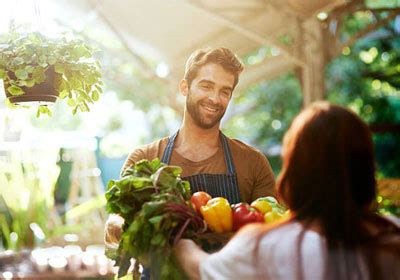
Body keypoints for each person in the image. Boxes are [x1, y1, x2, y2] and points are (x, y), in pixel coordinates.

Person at [174, 101, 400, 280]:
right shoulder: (392, 235)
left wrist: (179, 238)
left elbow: (201, 269)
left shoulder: (265, 247)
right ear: (366, 169)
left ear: (295, 170)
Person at [104, 47, 276, 277]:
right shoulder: (145, 159)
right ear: (185, 87)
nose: (215, 99)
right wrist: (116, 225)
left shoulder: (252, 162)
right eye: (206, 86)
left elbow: (274, 235)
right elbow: (117, 219)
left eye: (225, 91)